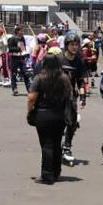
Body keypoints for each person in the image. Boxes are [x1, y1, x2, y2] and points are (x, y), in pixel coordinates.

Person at [27, 54, 73, 184]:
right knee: (57, 143)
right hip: (60, 115)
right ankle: (56, 171)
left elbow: (31, 98)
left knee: (46, 144)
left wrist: (29, 111)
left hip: (43, 114)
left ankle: (47, 174)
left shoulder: (39, 78)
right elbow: (69, 96)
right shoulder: (64, 78)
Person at [59, 35, 88, 166]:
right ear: (67, 45)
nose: (75, 47)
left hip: (71, 96)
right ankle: (54, 147)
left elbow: (81, 81)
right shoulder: (59, 59)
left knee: (72, 122)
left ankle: (67, 147)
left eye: (76, 44)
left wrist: (83, 97)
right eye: (72, 44)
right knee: (57, 123)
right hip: (57, 96)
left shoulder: (79, 61)